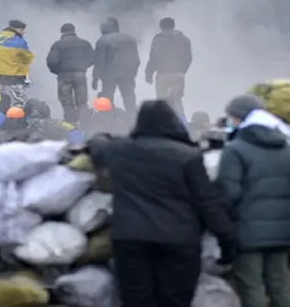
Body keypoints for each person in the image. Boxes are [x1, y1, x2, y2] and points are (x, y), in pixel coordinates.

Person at [87, 100, 235, 307]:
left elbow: (98, 145)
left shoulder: (118, 150)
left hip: (131, 240)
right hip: (179, 242)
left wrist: (101, 137)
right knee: (175, 302)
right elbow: (207, 203)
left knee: (136, 301)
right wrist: (227, 242)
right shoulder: (188, 156)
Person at [218, 95, 290, 307]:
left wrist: (225, 225)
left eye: (231, 117)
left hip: (247, 234)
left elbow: (229, 194)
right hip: (282, 233)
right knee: (280, 285)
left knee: (251, 286)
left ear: (240, 119)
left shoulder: (235, 150)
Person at [46, 23, 94, 124]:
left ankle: (71, 124)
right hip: (80, 75)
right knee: (82, 102)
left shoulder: (58, 45)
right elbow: (92, 58)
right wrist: (83, 67)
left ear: (62, 32)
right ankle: (85, 124)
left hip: (64, 76)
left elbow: (52, 61)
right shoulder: (84, 43)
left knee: (66, 101)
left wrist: (58, 71)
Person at [145, 17, 192, 117]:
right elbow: (189, 58)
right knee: (177, 99)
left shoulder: (159, 39)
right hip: (178, 74)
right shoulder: (184, 39)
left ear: (161, 27)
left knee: (162, 102)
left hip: (163, 74)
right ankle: (182, 122)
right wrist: (182, 71)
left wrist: (149, 73)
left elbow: (154, 57)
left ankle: (164, 123)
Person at [92, 17, 140, 114]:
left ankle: (107, 121)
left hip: (109, 75)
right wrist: (133, 72)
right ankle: (133, 121)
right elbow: (136, 59)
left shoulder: (102, 41)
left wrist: (95, 77)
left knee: (107, 100)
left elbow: (100, 61)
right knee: (129, 100)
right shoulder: (130, 39)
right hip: (127, 74)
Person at [0, 20, 34, 108]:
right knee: (19, 105)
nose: (24, 32)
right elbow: (28, 59)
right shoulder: (20, 42)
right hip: (13, 79)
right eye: (22, 30)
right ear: (16, 29)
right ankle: (16, 120)